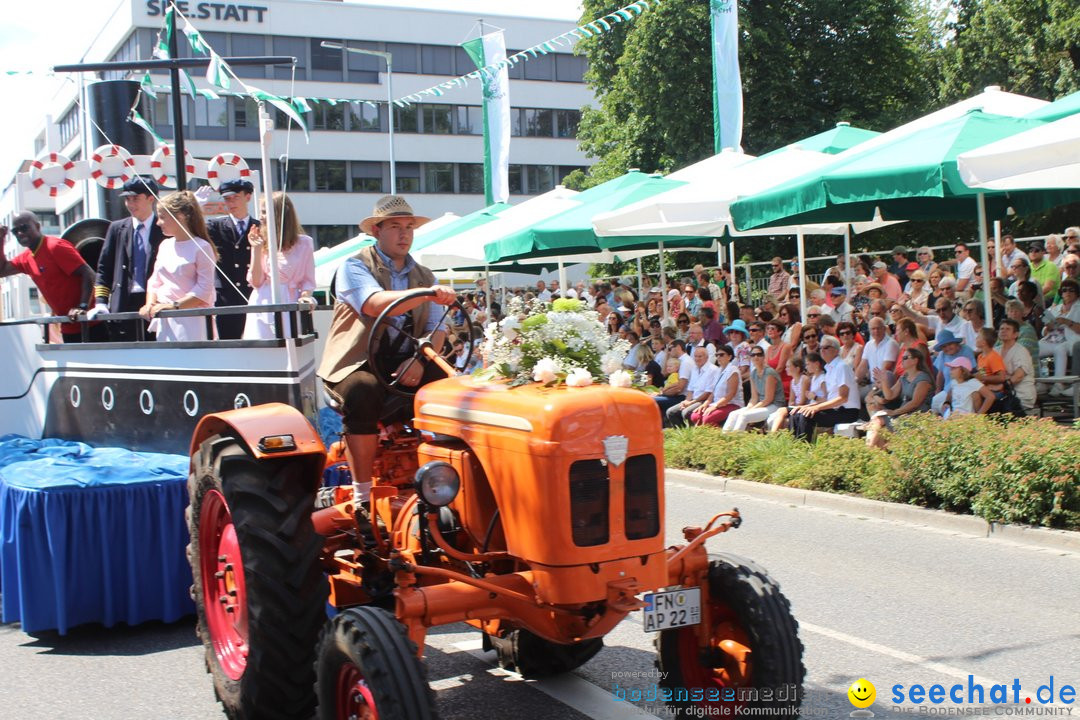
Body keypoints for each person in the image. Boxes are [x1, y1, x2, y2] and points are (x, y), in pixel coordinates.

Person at [317, 195, 456, 496]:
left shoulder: (424, 275)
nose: (404, 234)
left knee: (450, 388)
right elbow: (375, 304)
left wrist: (419, 360)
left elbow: (437, 329)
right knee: (362, 390)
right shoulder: (354, 267)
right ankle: (362, 494)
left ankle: (447, 480)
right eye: (395, 226)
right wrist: (429, 293)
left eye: (409, 227)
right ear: (377, 231)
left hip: (405, 362)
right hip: (355, 362)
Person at [0, 212, 103, 343]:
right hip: (68, 325)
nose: (20, 233)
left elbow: (88, 273)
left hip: (91, 323)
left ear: (37, 226)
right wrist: (1, 239)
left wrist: (82, 307)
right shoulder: (26, 258)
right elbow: (1, 270)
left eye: (24, 228)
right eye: (15, 231)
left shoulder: (54, 246)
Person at [94, 175, 166, 340]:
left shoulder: (163, 228)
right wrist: (101, 302)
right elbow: (104, 268)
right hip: (123, 302)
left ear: (150, 199)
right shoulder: (117, 228)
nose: (130, 204)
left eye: (135, 199)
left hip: (154, 302)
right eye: (127, 199)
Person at [139, 191, 217, 341]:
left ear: (180, 216)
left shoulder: (202, 247)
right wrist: (150, 304)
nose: (158, 222)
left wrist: (173, 306)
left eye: (162, 217)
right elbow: (155, 281)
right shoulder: (164, 245)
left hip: (193, 322)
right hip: (166, 320)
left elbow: (204, 289)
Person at [242, 192, 316, 340]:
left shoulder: (305, 243)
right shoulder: (262, 241)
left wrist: (306, 297)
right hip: (261, 303)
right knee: (262, 353)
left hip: (289, 303)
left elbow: (308, 281)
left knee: (289, 349)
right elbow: (256, 282)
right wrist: (256, 249)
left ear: (278, 214)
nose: (260, 217)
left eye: (264, 212)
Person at [205, 178, 259, 339]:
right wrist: (195, 204)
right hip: (226, 297)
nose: (231, 202)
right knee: (229, 342)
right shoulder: (215, 227)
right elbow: (193, 233)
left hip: (252, 293)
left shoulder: (260, 227)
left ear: (247, 197)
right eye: (227, 199)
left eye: (236, 197)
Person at [789, 336, 860, 441]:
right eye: (820, 348)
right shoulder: (830, 369)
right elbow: (830, 399)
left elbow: (843, 398)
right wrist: (809, 406)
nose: (822, 350)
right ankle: (794, 448)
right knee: (796, 413)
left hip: (847, 411)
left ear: (836, 350)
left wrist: (816, 408)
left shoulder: (842, 367)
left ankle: (804, 449)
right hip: (835, 409)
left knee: (806, 416)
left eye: (826, 347)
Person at [723, 345, 782, 432]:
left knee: (744, 416)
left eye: (759, 354)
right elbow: (754, 398)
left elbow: (768, 399)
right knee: (733, 414)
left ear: (763, 357)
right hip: (761, 405)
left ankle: (735, 441)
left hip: (775, 405)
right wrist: (749, 407)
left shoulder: (769, 373)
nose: (756, 357)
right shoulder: (753, 373)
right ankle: (724, 440)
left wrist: (752, 409)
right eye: (753, 355)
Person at [665, 346, 718, 427]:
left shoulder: (713, 370)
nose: (697, 359)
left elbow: (708, 392)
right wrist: (686, 401)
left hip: (704, 400)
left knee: (686, 412)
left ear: (707, 357)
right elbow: (691, 390)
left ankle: (691, 435)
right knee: (671, 412)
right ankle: (682, 435)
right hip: (693, 399)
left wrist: (691, 402)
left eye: (700, 356)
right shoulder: (694, 369)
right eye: (695, 356)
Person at [692, 344, 744, 427]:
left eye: (721, 355)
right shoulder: (718, 370)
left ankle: (720, 437)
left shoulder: (733, 371)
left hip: (732, 404)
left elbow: (731, 394)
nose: (718, 357)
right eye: (717, 355)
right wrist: (706, 403)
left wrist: (715, 406)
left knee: (707, 419)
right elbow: (713, 392)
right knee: (695, 416)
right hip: (717, 403)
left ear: (729, 357)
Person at [1039, 278, 1080, 383]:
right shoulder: (1055, 308)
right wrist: (1047, 328)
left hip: (1070, 340)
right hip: (1052, 339)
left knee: (1060, 349)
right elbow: (1044, 329)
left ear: (1077, 293)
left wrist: (1066, 322)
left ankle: (1059, 384)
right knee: (1032, 348)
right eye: (1064, 290)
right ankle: (1041, 382)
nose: (1067, 292)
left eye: (1071, 290)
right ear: (1061, 293)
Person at [997, 319, 1036, 413]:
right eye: (1001, 328)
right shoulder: (995, 351)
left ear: (1016, 334)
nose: (1003, 331)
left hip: (1020, 394)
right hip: (1002, 393)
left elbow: (1018, 376)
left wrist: (1001, 386)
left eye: (1007, 329)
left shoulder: (1021, 351)